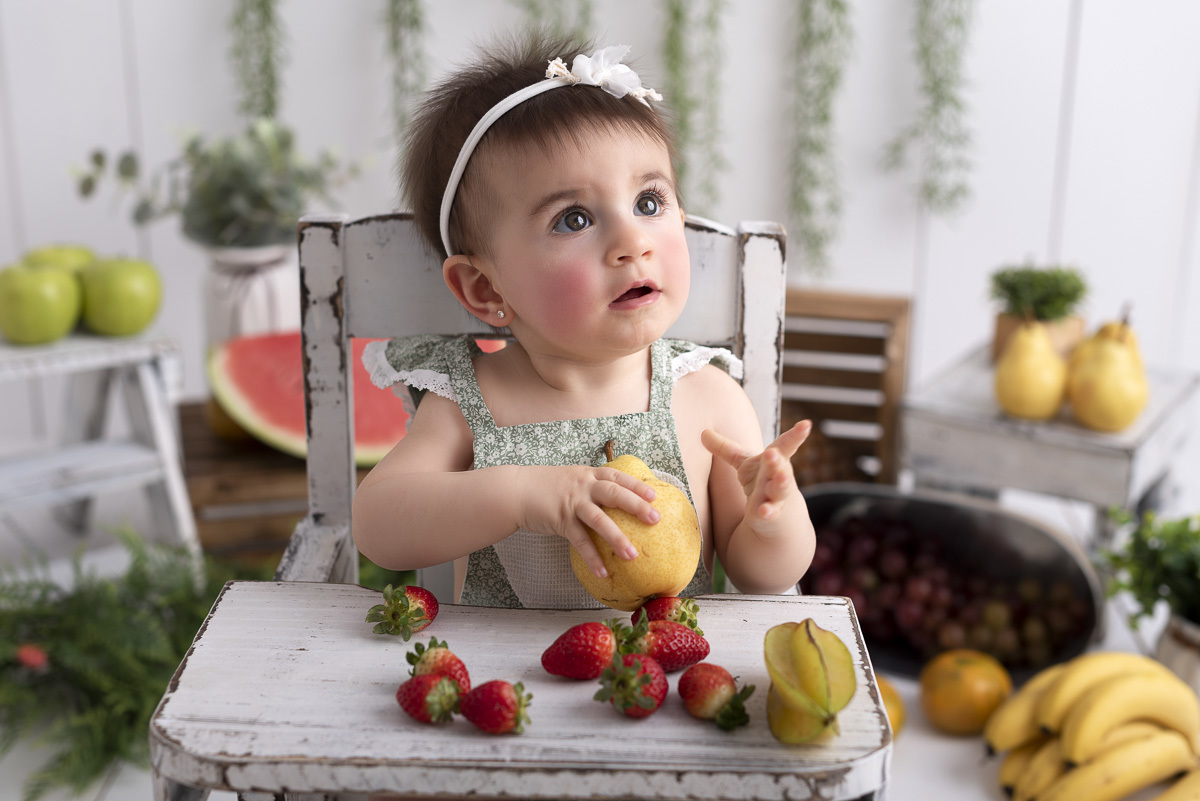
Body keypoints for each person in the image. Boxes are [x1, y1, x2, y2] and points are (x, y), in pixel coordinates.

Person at [352, 32, 815, 608]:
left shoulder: (707, 397)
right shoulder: (470, 398)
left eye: (649, 203)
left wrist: (774, 521)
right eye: (574, 219)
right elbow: (379, 527)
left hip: (660, 663)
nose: (632, 242)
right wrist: (521, 494)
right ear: (485, 287)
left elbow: (760, 577)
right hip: (502, 666)